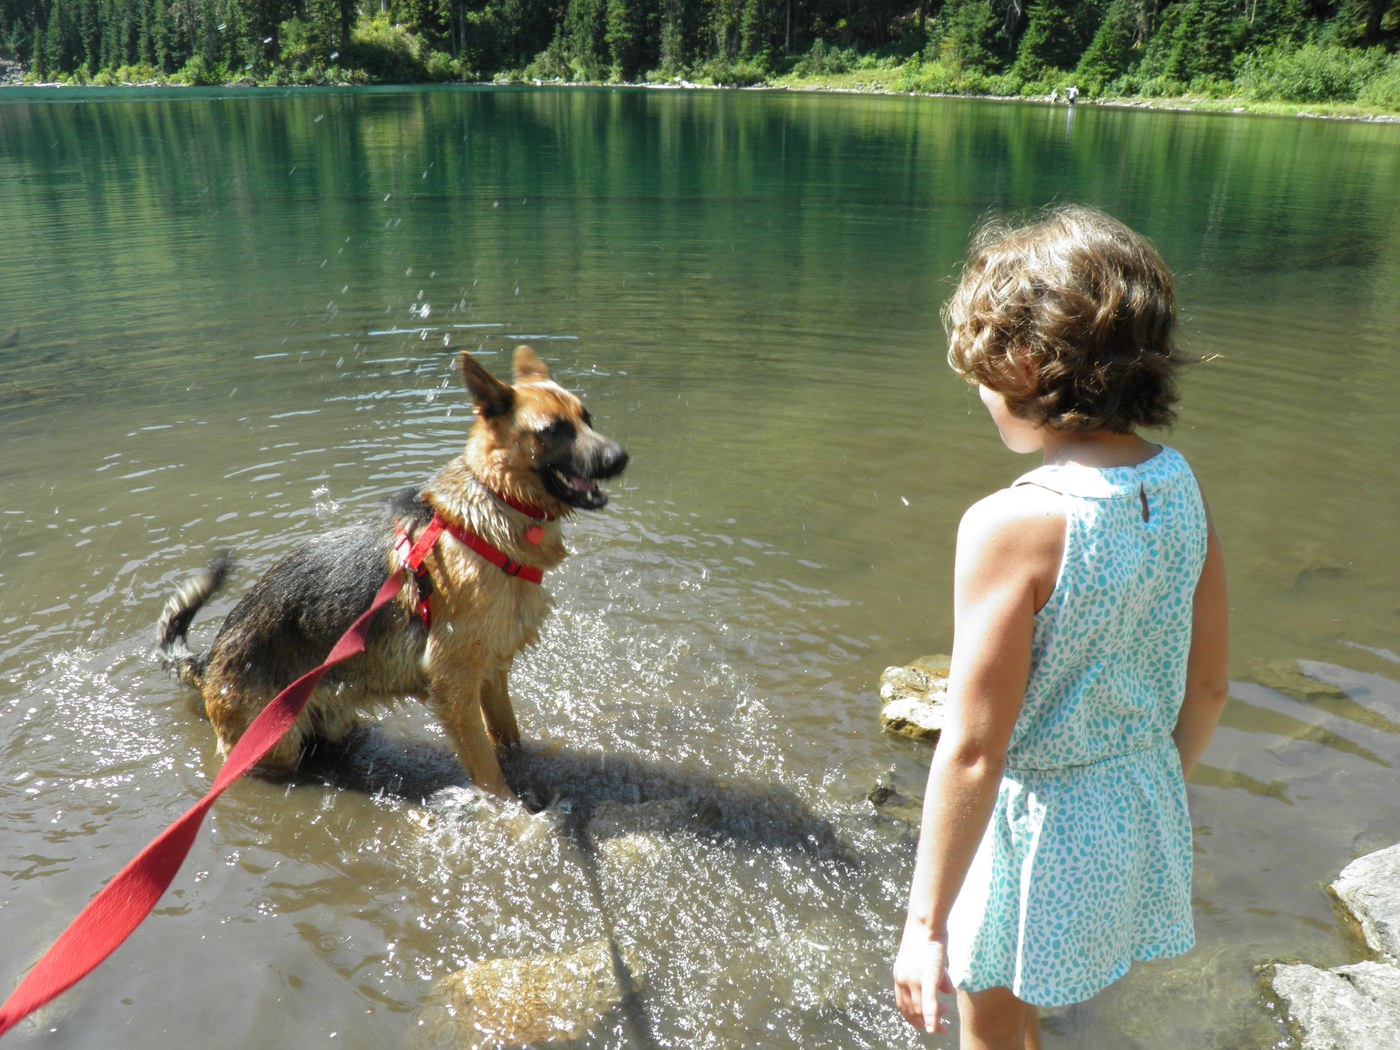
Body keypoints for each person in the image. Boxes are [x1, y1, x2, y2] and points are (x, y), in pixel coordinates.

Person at [892, 205, 1229, 1049]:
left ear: (1025, 361)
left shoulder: (1013, 525)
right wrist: (1140, 789)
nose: (978, 393)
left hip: (1035, 831)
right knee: (1028, 1008)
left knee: (991, 1027)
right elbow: (1210, 688)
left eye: (982, 371)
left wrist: (924, 925)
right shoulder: (1180, 484)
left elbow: (975, 751)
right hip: (1136, 805)